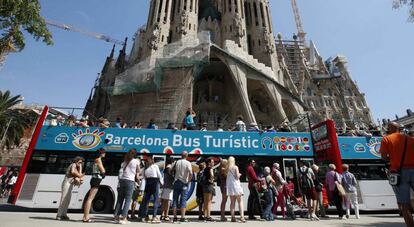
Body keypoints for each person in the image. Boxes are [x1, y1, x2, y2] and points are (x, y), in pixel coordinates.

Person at [380, 122, 414, 227]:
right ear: (399, 128)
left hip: (398, 172)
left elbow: (384, 157)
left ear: (389, 128)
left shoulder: (386, 139)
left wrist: (393, 159)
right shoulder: (410, 139)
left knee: (404, 204)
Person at [114, 149, 141, 224]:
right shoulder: (136, 161)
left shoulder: (124, 162)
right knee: (128, 200)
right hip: (130, 181)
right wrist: (139, 182)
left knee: (120, 199)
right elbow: (137, 174)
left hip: (122, 181)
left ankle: (116, 216)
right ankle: (124, 218)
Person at [56, 156, 85, 221]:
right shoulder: (73, 165)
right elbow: (73, 172)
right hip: (67, 182)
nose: (80, 164)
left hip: (71, 183)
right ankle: (59, 215)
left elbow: (79, 174)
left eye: (81, 163)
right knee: (63, 199)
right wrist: (80, 175)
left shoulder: (78, 166)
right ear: (76, 161)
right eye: (79, 162)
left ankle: (64, 214)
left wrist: (80, 169)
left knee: (68, 199)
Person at [83, 148, 106, 222]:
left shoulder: (96, 159)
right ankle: (86, 217)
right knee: (90, 198)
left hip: (94, 179)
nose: (105, 154)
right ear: (101, 153)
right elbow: (103, 170)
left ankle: (85, 216)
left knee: (90, 198)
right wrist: (104, 172)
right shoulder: (98, 159)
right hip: (96, 180)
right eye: (104, 153)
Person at [139, 155, 164, 223]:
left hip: (148, 184)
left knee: (146, 201)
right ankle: (154, 217)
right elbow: (159, 175)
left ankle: (145, 216)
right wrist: (162, 183)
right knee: (156, 200)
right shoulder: (155, 166)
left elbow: (143, 178)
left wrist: (142, 188)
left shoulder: (145, 168)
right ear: (152, 160)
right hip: (155, 183)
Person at [172, 151, 193, 223]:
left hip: (176, 182)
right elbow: (190, 173)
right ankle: (182, 217)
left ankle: (174, 217)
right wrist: (189, 181)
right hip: (184, 183)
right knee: (183, 200)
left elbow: (171, 170)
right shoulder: (188, 163)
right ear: (187, 156)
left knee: (175, 199)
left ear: (181, 155)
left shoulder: (177, 162)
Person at [226, 156, 245, 223]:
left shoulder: (227, 168)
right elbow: (237, 177)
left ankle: (232, 217)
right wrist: (239, 174)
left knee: (232, 202)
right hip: (236, 186)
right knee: (240, 201)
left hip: (230, 187)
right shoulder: (235, 167)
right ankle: (242, 217)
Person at [160, 157, 174, 222]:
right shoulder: (169, 169)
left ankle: (162, 215)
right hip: (169, 187)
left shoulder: (165, 169)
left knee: (164, 201)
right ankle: (166, 215)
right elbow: (171, 177)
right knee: (168, 202)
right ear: (172, 162)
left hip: (165, 186)